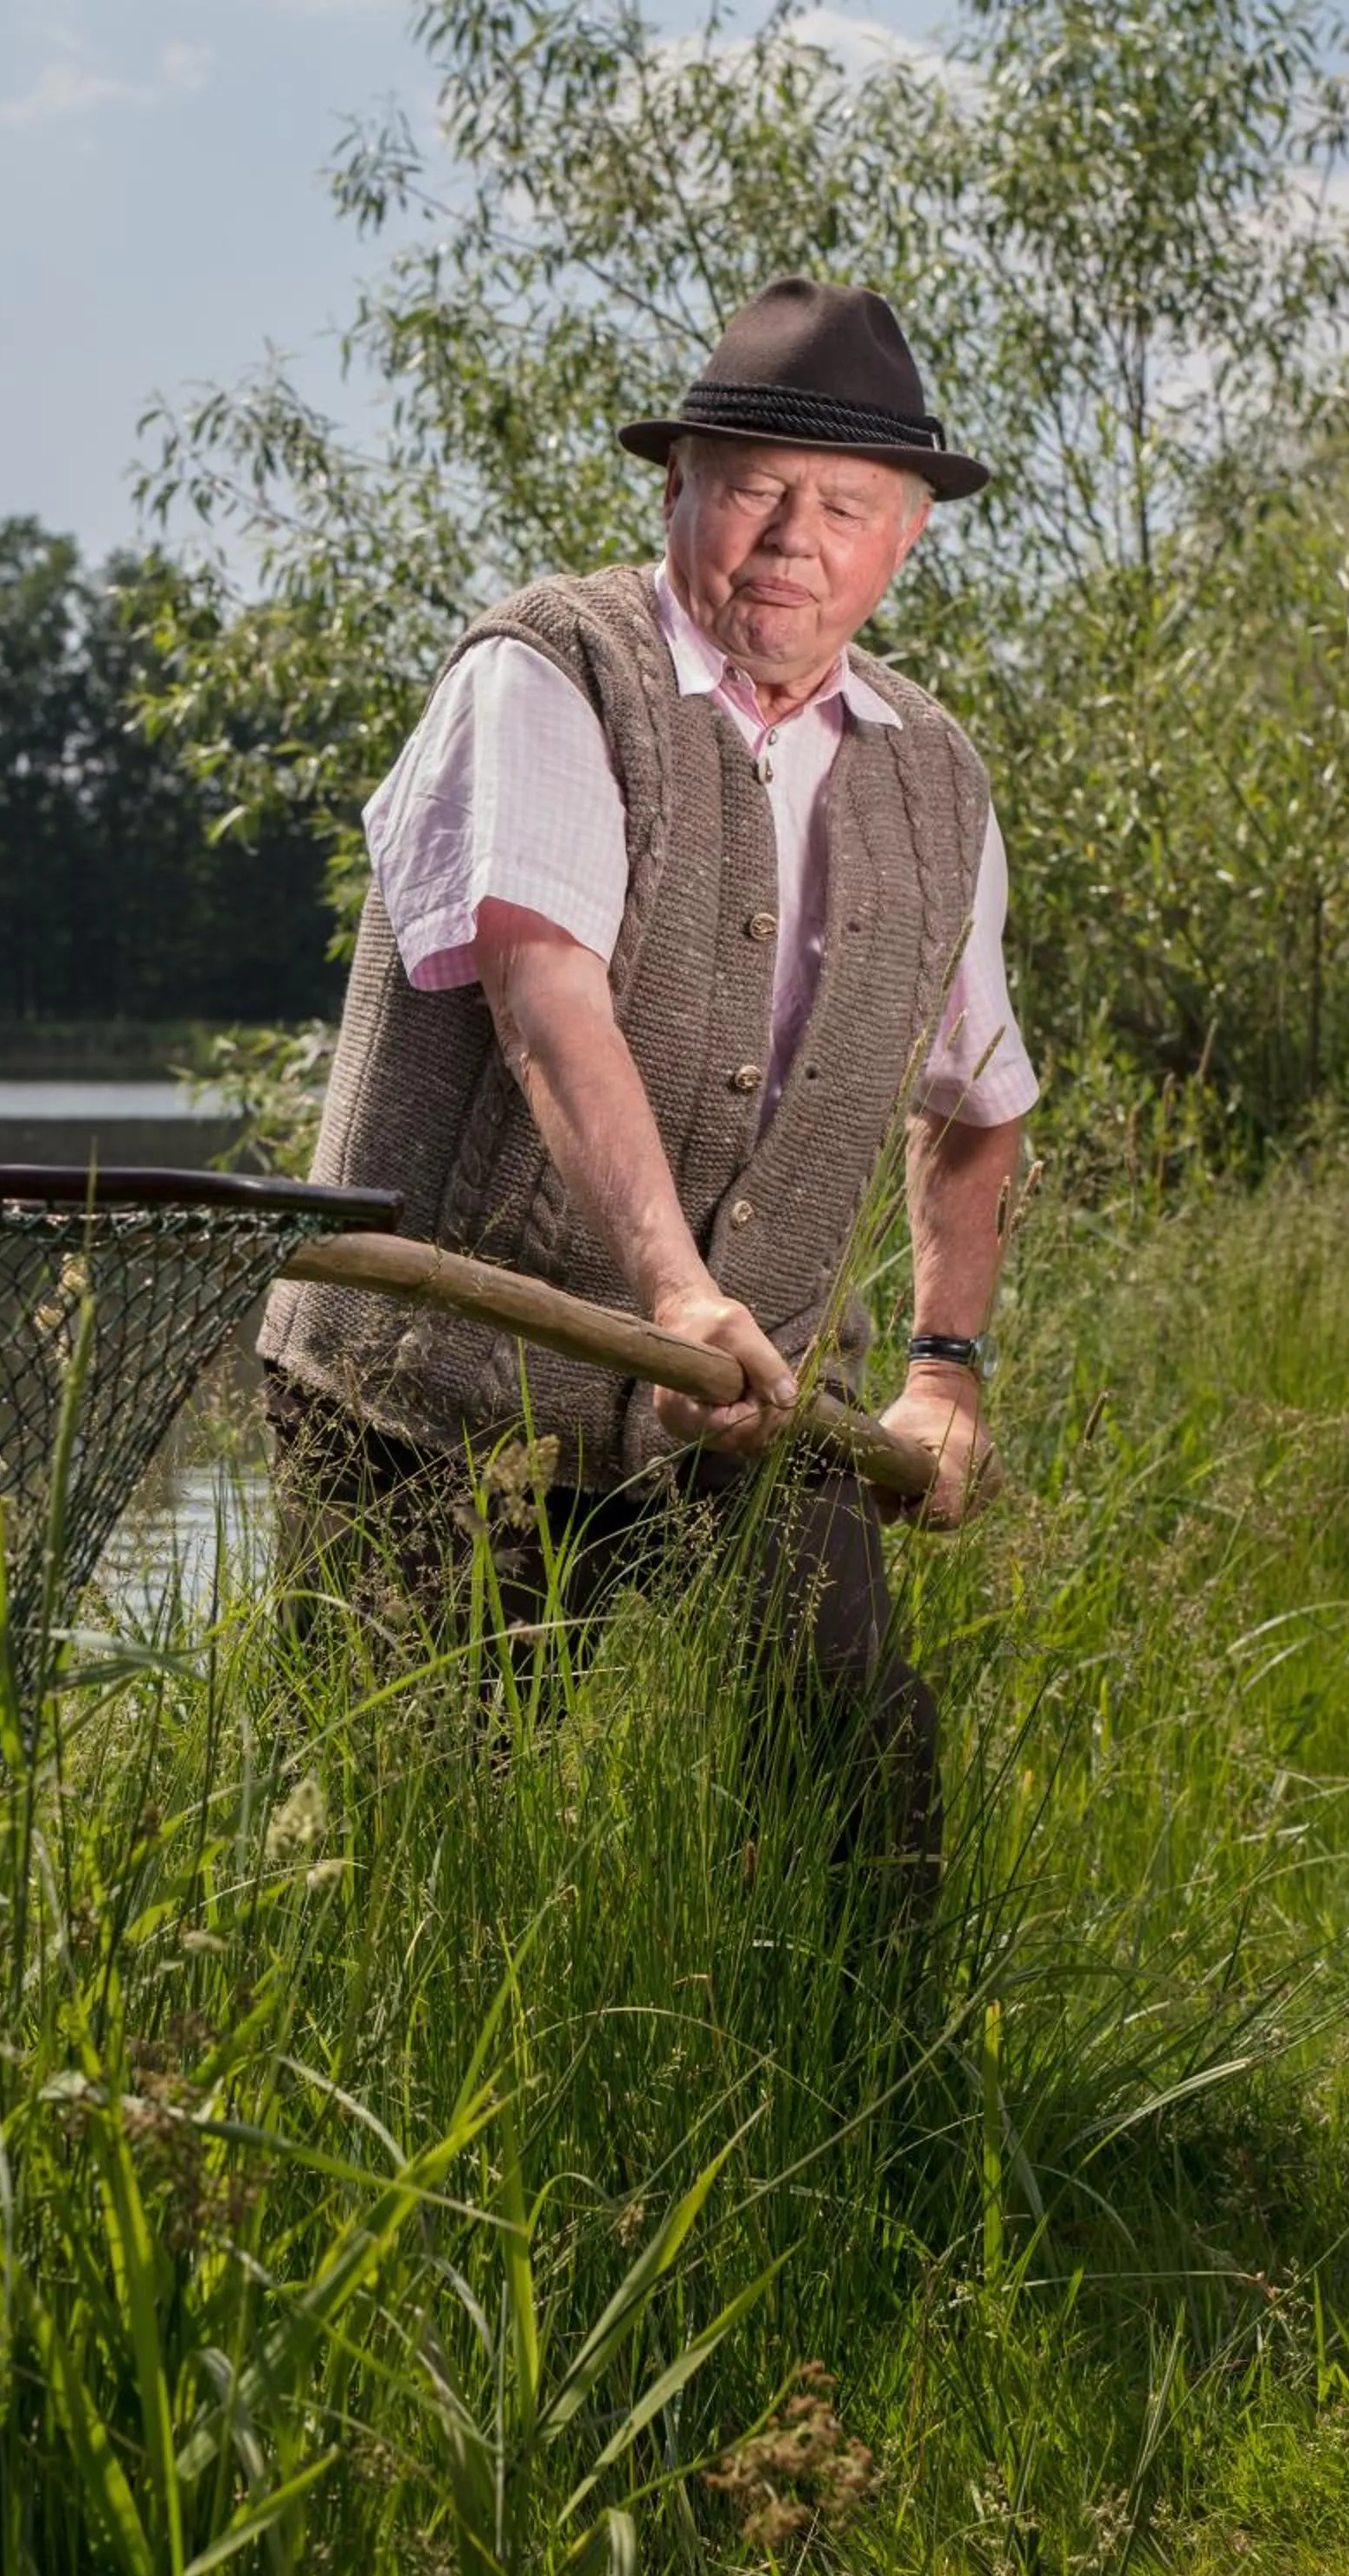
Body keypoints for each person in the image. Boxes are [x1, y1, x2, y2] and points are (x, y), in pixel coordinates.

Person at [257, 277, 1037, 1899]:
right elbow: (547, 996)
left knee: (862, 1776)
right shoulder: (548, 671)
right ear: (676, 485)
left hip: (750, 1406)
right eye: (753, 489)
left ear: (907, 537)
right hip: (436, 1393)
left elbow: (976, 1103)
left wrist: (944, 1373)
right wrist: (677, 1291)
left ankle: (864, 2068)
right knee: (416, 1848)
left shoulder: (939, 775)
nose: (792, 540)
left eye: (845, 506)